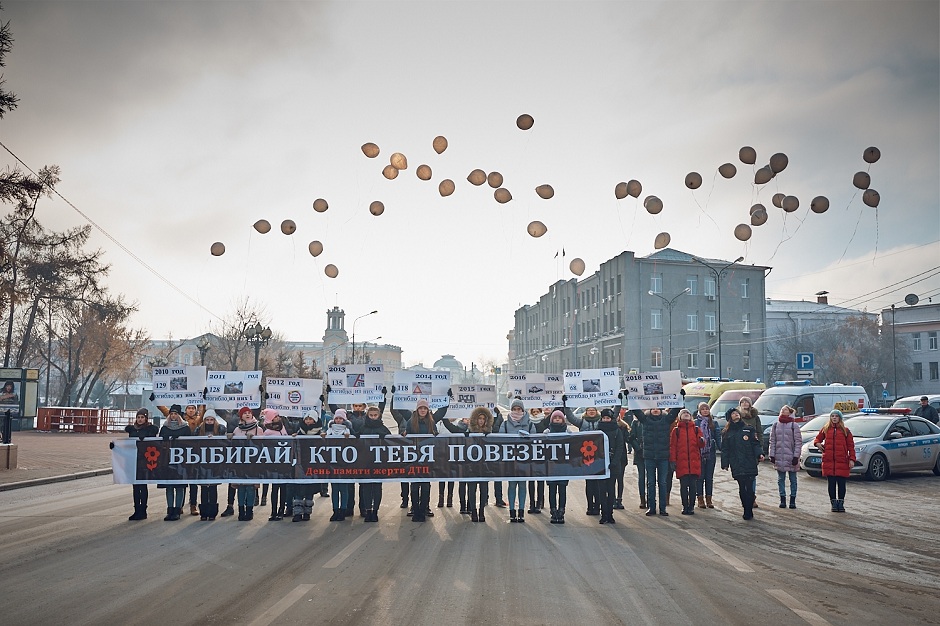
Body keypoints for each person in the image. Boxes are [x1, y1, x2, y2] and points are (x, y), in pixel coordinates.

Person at [631, 394, 683, 517]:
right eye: (653, 408)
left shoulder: (666, 420)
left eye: (658, 408)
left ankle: (663, 508)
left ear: (661, 410)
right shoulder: (645, 420)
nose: (655, 410)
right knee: (650, 482)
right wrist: (630, 397)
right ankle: (651, 507)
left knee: (662, 482)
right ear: (650, 410)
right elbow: (636, 409)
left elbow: (676, 409)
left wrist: (680, 397)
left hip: (663, 456)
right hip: (649, 456)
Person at [720, 408, 764, 520]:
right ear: (730, 417)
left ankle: (749, 509)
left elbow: (755, 444)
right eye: (733, 414)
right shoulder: (727, 432)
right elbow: (725, 449)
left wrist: (759, 454)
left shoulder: (748, 429)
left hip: (749, 461)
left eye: (737, 413)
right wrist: (725, 463)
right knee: (742, 487)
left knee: (749, 487)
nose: (736, 415)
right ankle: (745, 507)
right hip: (736, 462)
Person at [563, 402, 604, 515]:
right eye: (589, 409)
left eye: (593, 410)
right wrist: (566, 404)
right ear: (586, 412)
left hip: (599, 457)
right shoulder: (581, 422)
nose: (591, 411)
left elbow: (614, 416)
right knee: (589, 483)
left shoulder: (601, 422)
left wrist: (618, 403)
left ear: (596, 411)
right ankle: (590, 506)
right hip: (586, 458)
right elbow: (570, 417)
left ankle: (598, 506)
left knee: (598, 483)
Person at [499, 398, 536, 523]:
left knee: (522, 485)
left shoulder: (530, 424)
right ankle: (512, 512)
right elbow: (500, 440)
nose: (516, 411)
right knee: (512, 485)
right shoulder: (505, 424)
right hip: (510, 460)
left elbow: (535, 442)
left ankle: (521, 512)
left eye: (518, 409)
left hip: (524, 460)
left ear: (522, 410)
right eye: (514, 409)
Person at [813, 409, 856, 513]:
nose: (834, 418)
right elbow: (817, 439)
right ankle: (833, 503)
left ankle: (840, 504)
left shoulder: (846, 431)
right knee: (831, 484)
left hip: (842, 461)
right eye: (832, 416)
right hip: (829, 461)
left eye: (836, 416)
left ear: (840, 418)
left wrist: (852, 459)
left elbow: (851, 447)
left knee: (841, 484)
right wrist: (818, 444)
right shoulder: (826, 429)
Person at [357, 404, 392, 522]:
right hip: (365, 462)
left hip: (378, 463)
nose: (373, 417)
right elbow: (356, 442)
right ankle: (368, 511)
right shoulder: (363, 428)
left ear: (379, 415)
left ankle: (375, 511)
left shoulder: (383, 428)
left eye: (375, 415)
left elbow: (391, 442)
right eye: (371, 415)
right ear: (367, 415)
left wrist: (385, 437)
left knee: (377, 487)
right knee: (366, 487)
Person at [158, 405, 192, 521]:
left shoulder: (185, 428)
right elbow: (160, 443)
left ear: (179, 415)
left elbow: (189, 444)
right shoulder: (164, 428)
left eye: (175, 414)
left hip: (180, 460)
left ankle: (177, 509)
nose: (173, 416)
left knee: (179, 486)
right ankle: (170, 509)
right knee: (169, 486)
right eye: (171, 414)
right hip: (167, 460)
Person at [124, 408, 159, 520]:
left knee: (142, 486)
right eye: (138, 417)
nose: (140, 419)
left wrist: (147, 439)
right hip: (134, 459)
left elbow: (154, 443)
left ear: (146, 418)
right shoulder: (132, 430)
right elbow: (128, 443)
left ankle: (143, 510)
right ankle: (136, 510)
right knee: (135, 487)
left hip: (145, 461)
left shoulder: (150, 429)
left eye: (142, 417)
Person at [229, 406, 262, 521]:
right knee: (241, 487)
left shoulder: (258, 429)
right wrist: (230, 438)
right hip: (240, 462)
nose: (247, 414)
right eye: (245, 413)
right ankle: (241, 510)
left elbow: (263, 445)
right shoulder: (237, 430)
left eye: (249, 413)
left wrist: (254, 439)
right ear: (241, 416)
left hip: (252, 463)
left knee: (250, 487)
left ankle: (249, 511)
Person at [670, 409, 705, 515]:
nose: (686, 415)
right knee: (684, 486)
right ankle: (685, 506)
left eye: (688, 414)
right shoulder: (676, 430)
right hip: (682, 463)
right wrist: (673, 460)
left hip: (694, 462)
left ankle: (691, 507)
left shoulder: (696, 429)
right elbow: (673, 447)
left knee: (693, 486)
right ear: (680, 417)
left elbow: (701, 444)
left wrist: (702, 441)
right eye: (684, 414)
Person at [290, 411, 324, 522]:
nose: (308, 421)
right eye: (306, 419)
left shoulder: (319, 432)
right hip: (300, 463)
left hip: (313, 464)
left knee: (310, 489)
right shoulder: (300, 431)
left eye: (311, 419)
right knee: (299, 488)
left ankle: (307, 512)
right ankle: (297, 513)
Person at [194, 409, 226, 520]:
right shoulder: (198, 430)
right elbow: (194, 444)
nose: (209, 422)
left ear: (214, 420)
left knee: (212, 488)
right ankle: (204, 513)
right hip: (202, 462)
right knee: (204, 488)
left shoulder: (221, 429)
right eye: (207, 420)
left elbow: (225, 443)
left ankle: (212, 513)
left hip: (215, 463)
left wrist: (216, 440)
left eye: (211, 419)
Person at [259, 408, 290, 521]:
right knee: (275, 488)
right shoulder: (267, 432)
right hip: (274, 463)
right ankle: (273, 511)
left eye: (278, 416)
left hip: (284, 463)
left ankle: (281, 510)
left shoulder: (283, 428)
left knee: (283, 488)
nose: (278, 418)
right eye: (275, 417)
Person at [597, 408, 627, 525]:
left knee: (611, 490)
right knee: (602, 491)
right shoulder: (598, 430)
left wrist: (614, 461)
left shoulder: (617, 431)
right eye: (604, 418)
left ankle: (610, 514)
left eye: (608, 418)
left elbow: (620, 447)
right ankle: (603, 514)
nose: (605, 420)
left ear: (611, 419)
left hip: (613, 465)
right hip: (601, 465)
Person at [768, 405, 801, 509]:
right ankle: (782, 499)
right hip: (779, 456)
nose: (783, 411)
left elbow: (798, 442)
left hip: (791, 457)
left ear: (790, 412)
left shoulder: (794, 425)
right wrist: (771, 454)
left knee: (793, 479)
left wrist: (796, 456)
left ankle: (792, 500)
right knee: (780, 479)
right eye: (782, 409)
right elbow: (772, 441)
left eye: (785, 410)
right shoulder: (775, 425)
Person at [542, 409, 572, 523]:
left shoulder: (568, 431)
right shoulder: (547, 432)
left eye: (559, 418)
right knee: (552, 490)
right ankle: (553, 511)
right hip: (551, 466)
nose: (557, 419)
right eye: (555, 418)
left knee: (562, 490)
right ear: (552, 419)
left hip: (563, 466)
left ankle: (561, 511)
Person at [465, 406, 494, 522]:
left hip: (484, 466)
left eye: (483, 418)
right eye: (479, 418)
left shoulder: (490, 433)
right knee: (472, 490)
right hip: (471, 466)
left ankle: (481, 511)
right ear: (475, 420)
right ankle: (473, 512)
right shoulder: (469, 432)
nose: (481, 421)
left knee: (484, 489)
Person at [324, 410, 353, 521]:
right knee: (335, 489)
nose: (338, 420)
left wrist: (349, 437)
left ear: (344, 420)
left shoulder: (347, 430)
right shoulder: (330, 429)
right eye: (336, 418)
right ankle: (335, 510)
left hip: (344, 463)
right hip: (333, 463)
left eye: (340, 419)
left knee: (344, 489)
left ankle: (343, 510)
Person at [738, 396, 762, 509]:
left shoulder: (755, 417)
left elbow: (759, 432)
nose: (745, 403)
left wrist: (760, 448)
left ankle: (752, 497)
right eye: (742, 402)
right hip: (741, 449)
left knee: (752, 474)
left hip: (753, 449)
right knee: (742, 475)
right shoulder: (737, 416)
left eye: (746, 402)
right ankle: (745, 496)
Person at [694, 402, 718, 509]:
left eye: (707, 409)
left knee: (709, 477)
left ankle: (709, 499)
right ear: (699, 410)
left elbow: (718, 437)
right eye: (703, 409)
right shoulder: (695, 423)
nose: (705, 411)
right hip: (699, 453)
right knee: (700, 477)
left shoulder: (714, 423)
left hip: (711, 453)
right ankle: (700, 498)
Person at [526, 408, 548, 515]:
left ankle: (539, 502)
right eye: (533, 412)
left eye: (537, 412)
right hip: (530, 453)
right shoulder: (528, 422)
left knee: (540, 480)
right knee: (531, 480)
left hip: (542, 453)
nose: (535, 414)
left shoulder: (544, 421)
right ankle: (531, 503)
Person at [628, 412, 646, 509]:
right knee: (642, 476)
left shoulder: (651, 420)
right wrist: (637, 448)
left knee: (651, 478)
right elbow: (631, 437)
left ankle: (651, 499)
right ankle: (642, 499)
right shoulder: (636, 422)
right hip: (640, 453)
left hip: (651, 452)